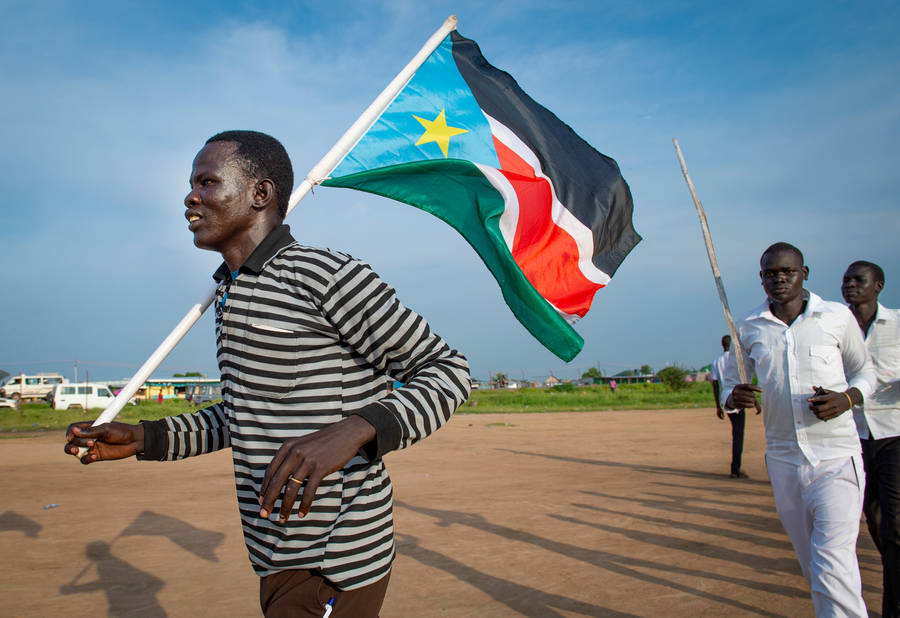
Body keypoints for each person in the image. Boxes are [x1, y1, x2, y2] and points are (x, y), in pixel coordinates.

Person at [64, 131, 471, 617]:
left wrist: (353, 430)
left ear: (261, 194)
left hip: (336, 560)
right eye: (191, 183)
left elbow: (447, 371)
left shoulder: (324, 274)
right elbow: (243, 414)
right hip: (273, 552)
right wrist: (145, 438)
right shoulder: (229, 294)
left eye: (207, 182)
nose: (190, 197)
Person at [722, 242, 876, 617]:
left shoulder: (836, 318)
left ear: (804, 274)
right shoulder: (748, 327)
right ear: (761, 279)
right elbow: (728, 382)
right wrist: (733, 396)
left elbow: (865, 371)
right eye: (770, 274)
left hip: (836, 457)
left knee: (832, 561)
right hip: (784, 460)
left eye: (787, 272)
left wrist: (847, 399)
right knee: (814, 567)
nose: (779, 279)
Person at [842, 260, 900, 617]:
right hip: (853, 435)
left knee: (896, 525)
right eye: (846, 280)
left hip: (894, 432)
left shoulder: (897, 323)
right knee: (875, 524)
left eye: (859, 280)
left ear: (877, 285)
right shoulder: (836, 325)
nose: (850, 285)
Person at [709, 334, 747, 479]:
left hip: (725, 400)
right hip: (737, 399)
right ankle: (735, 469)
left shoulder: (717, 361)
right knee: (738, 434)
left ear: (722, 345)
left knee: (736, 432)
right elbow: (745, 379)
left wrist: (718, 406)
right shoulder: (736, 359)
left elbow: (715, 384)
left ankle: (735, 467)